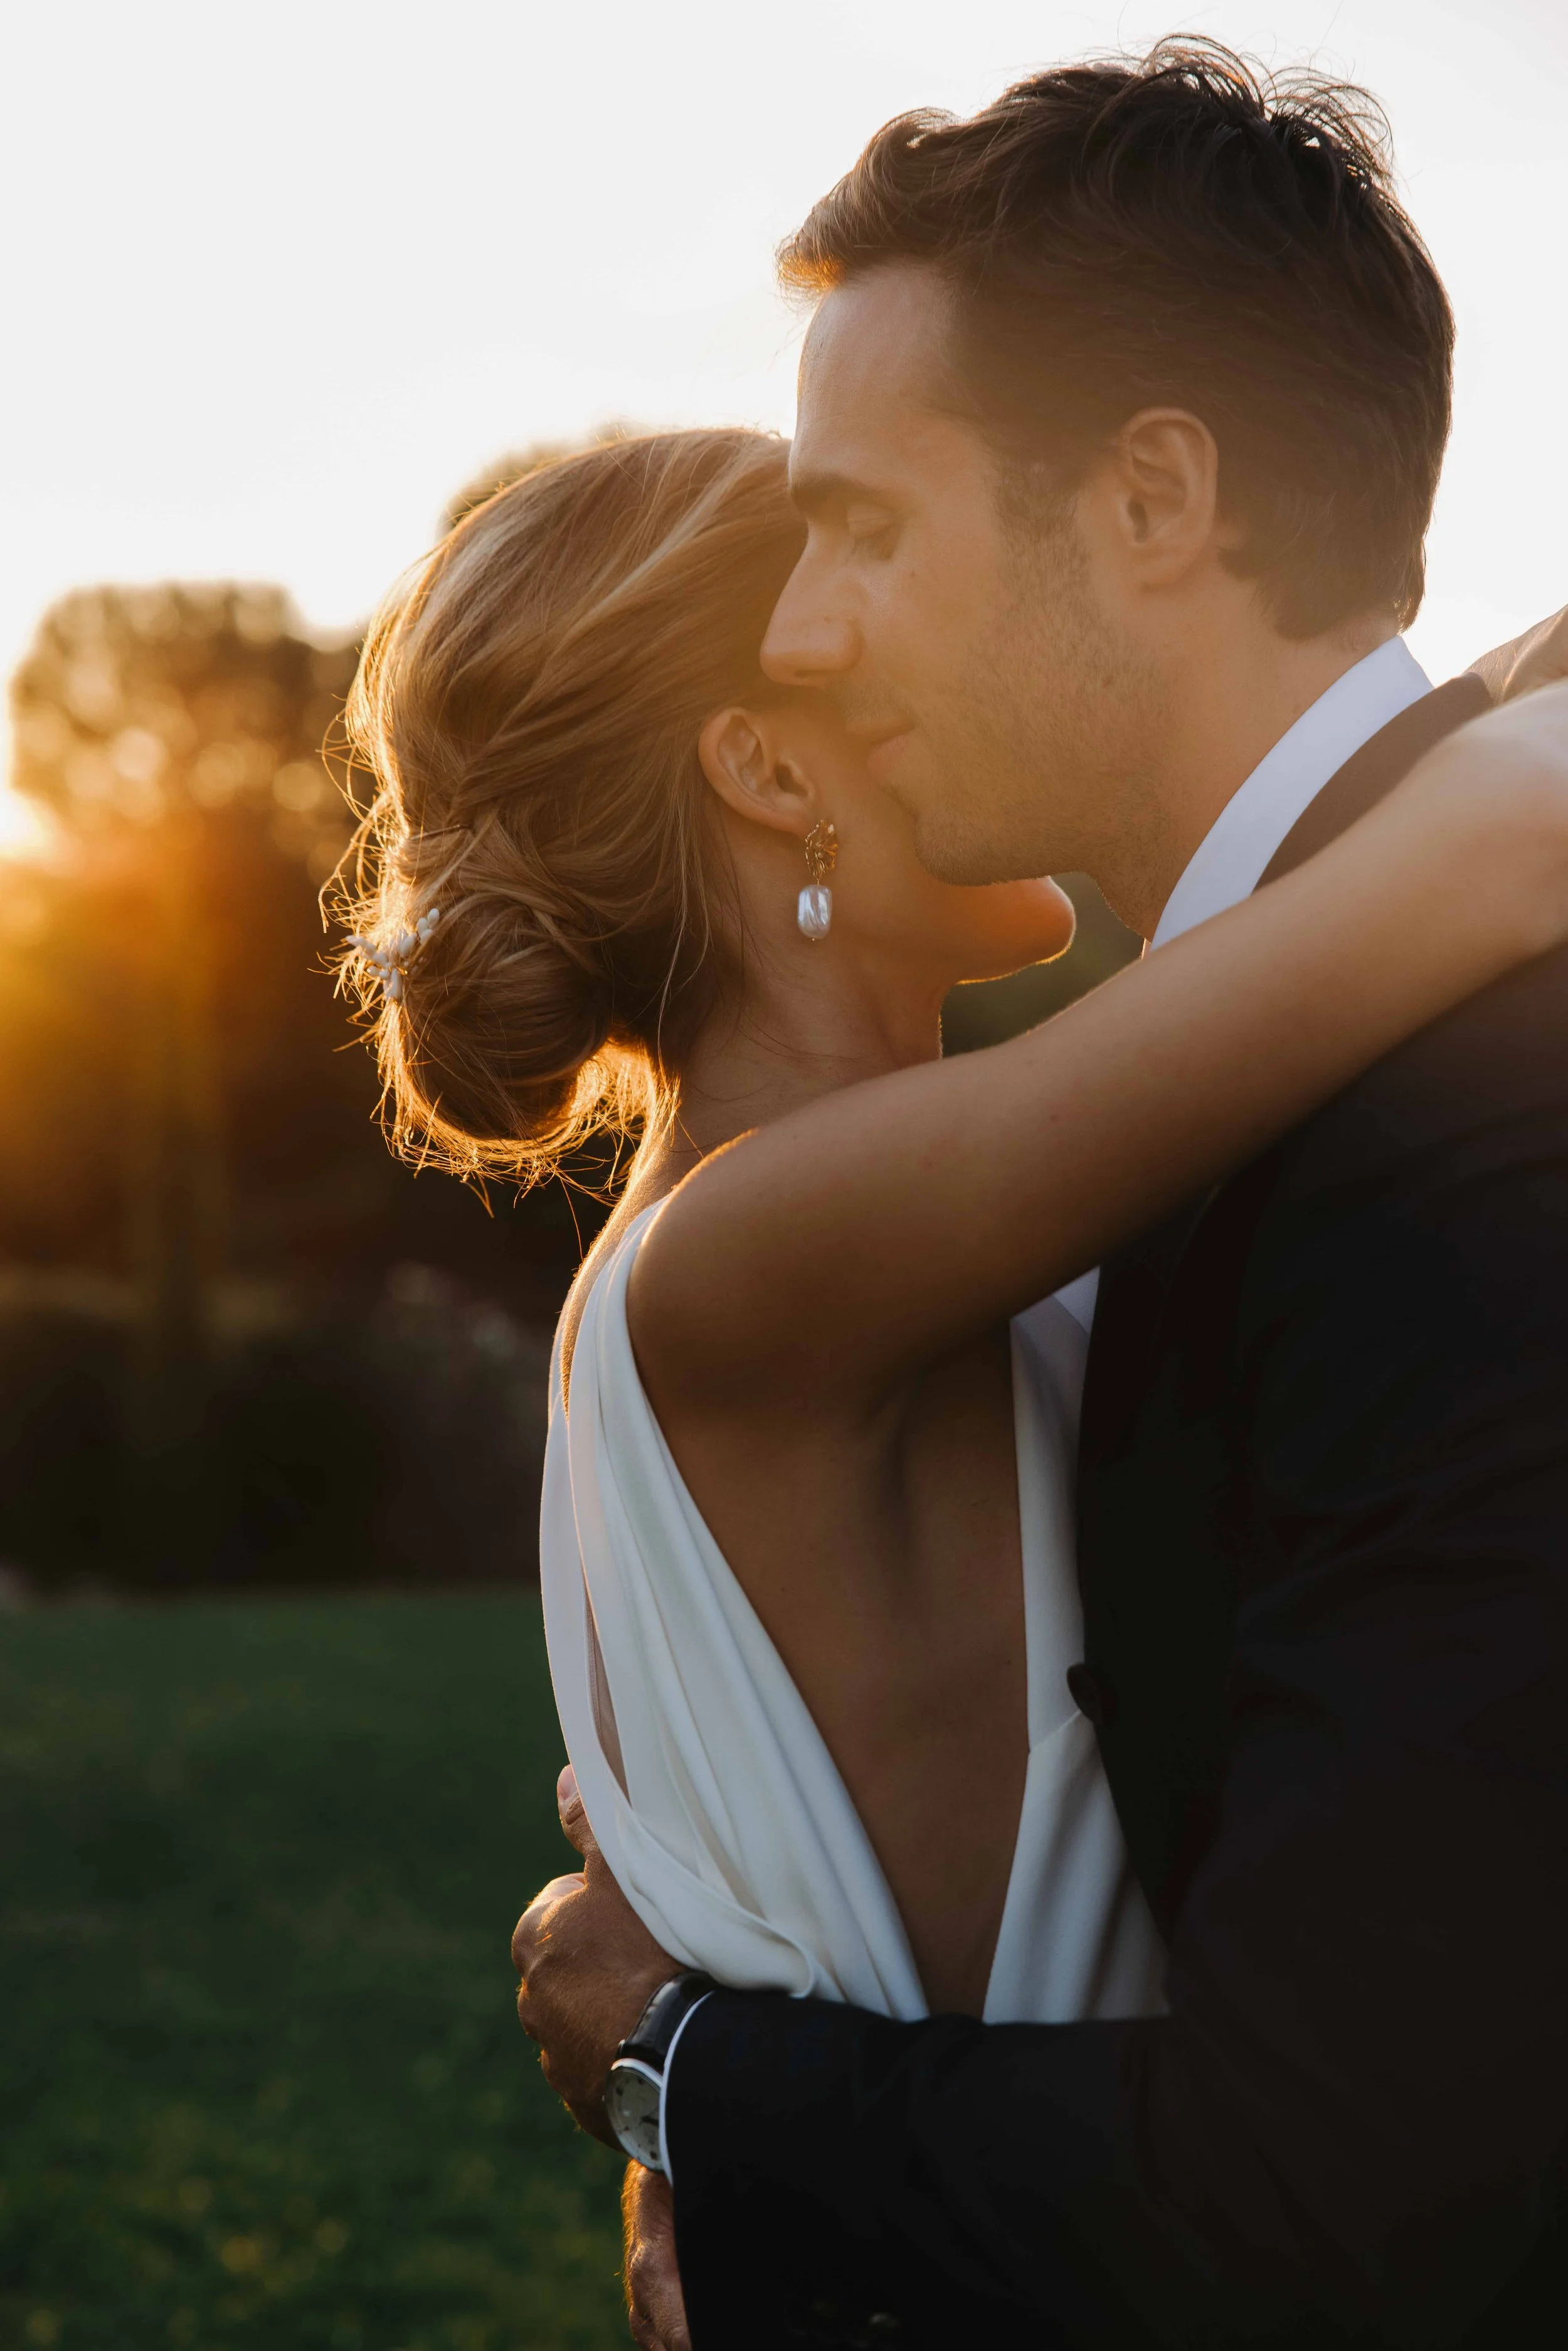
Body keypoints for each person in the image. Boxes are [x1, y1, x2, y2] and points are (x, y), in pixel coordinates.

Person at [497, 45, 1568, 2350]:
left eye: (865, 524)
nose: (808, 628)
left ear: (1154, 501)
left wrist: (703, 2074)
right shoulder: (1264, 1051)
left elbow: (1357, 2188)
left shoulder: (1464, 1125)